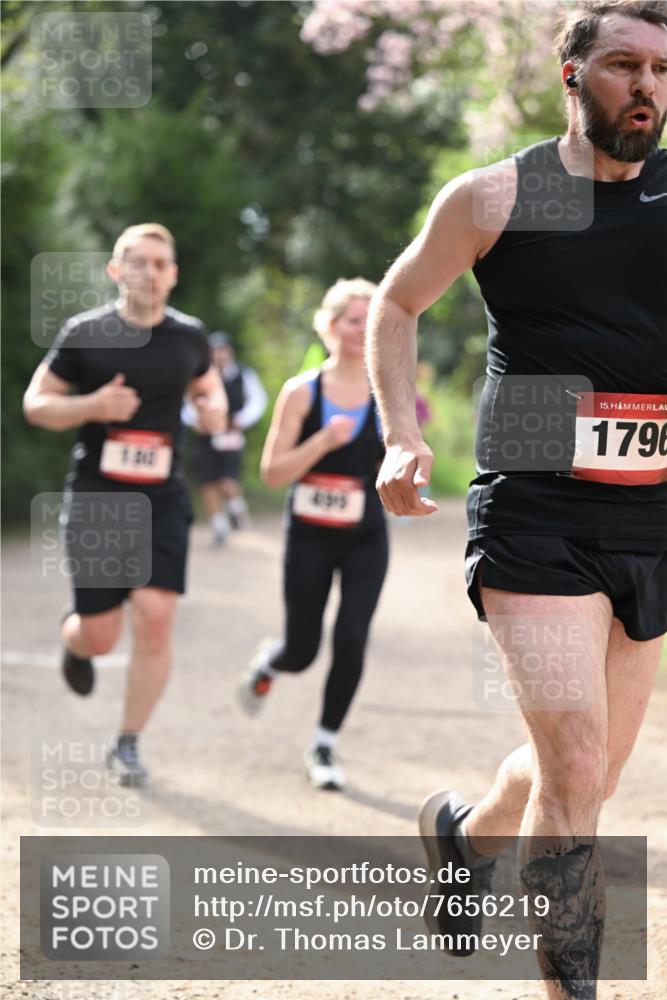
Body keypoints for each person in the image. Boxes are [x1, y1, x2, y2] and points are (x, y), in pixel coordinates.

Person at [367, 2, 666, 996]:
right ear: (572, 75)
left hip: (650, 511)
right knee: (575, 769)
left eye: (662, 70)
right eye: (623, 64)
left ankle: (463, 837)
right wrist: (402, 432)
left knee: (588, 770)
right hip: (535, 508)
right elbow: (396, 301)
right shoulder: (497, 196)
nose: (646, 86)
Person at [23, 223, 227, 787]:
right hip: (98, 498)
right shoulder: (85, 332)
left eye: (160, 264)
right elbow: (36, 404)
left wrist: (212, 409)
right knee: (101, 636)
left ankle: (128, 743)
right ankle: (75, 641)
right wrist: (92, 405)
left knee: (156, 617)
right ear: (116, 271)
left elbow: (209, 387)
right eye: (137, 262)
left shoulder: (189, 336)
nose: (149, 273)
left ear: (173, 275)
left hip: (162, 497)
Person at [238, 278, 388, 791]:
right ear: (329, 326)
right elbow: (272, 474)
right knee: (301, 651)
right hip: (309, 535)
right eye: (352, 321)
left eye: (370, 321)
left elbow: (398, 464)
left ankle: (324, 743)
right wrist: (322, 442)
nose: (361, 331)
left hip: (365, 535)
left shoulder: (388, 392)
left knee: (352, 637)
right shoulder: (302, 392)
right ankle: (272, 661)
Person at [183, 332, 267, 545]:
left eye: (223, 350)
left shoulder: (244, 374)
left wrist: (241, 420)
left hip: (231, 435)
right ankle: (218, 525)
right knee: (207, 481)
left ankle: (235, 507)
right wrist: (196, 422)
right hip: (206, 436)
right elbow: (186, 403)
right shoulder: (199, 375)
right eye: (215, 351)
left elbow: (257, 401)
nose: (220, 355)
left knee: (228, 480)